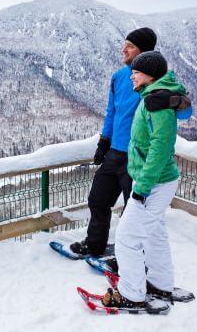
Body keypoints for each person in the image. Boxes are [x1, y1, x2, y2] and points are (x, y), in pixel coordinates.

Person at [101, 51, 187, 309]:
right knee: (154, 234)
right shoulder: (154, 96)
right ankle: (160, 284)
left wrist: (142, 188)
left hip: (154, 182)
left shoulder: (156, 103)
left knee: (127, 237)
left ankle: (132, 293)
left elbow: (160, 148)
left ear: (150, 74)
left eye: (136, 72)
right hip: (159, 180)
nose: (132, 76)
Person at [71, 28, 164, 256]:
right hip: (115, 152)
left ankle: (129, 255)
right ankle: (94, 245)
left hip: (138, 157)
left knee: (133, 211)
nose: (124, 49)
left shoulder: (156, 80)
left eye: (130, 46)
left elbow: (179, 112)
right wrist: (104, 141)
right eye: (125, 44)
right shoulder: (119, 77)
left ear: (144, 51)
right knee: (98, 199)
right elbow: (112, 112)